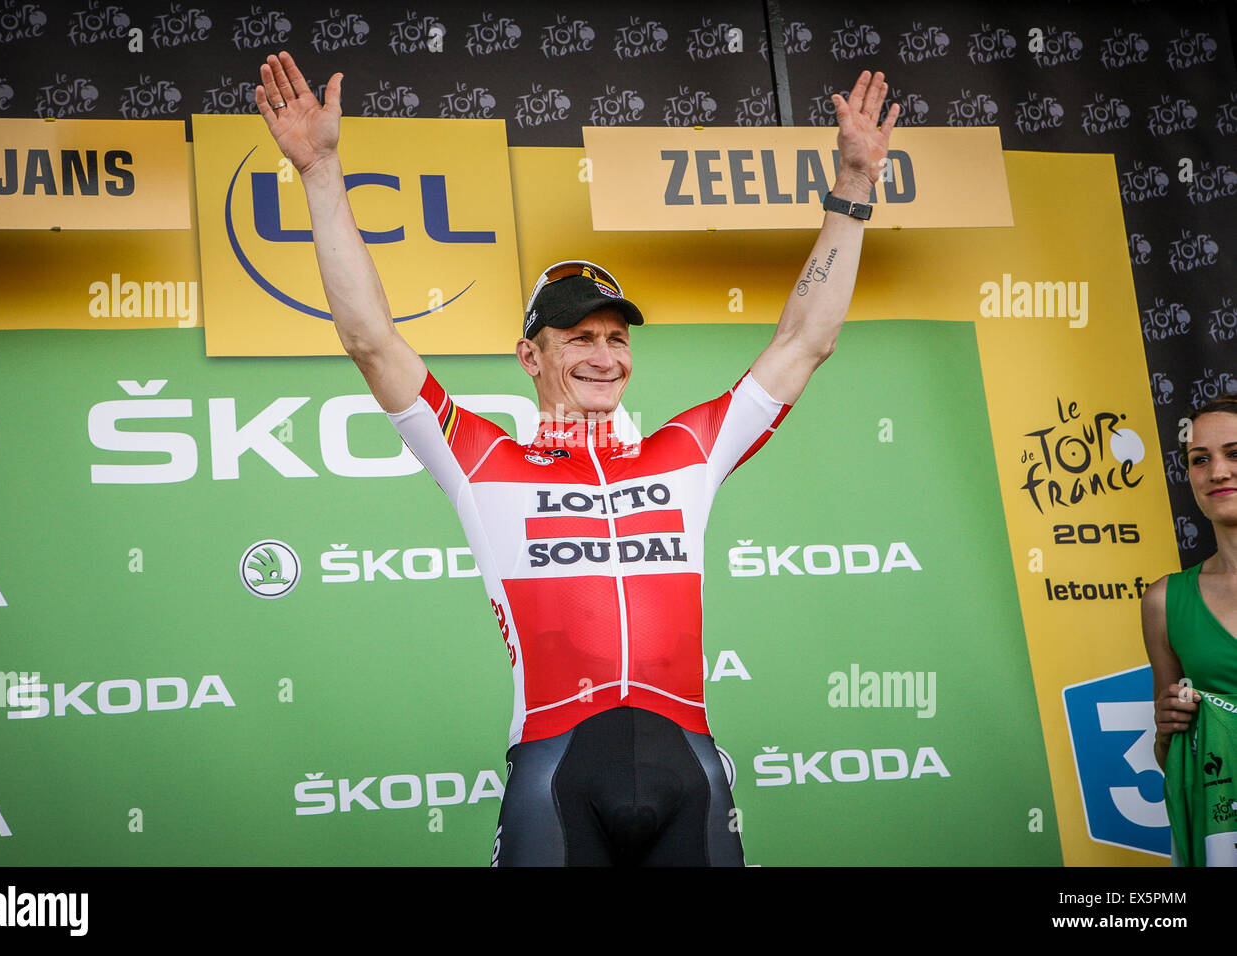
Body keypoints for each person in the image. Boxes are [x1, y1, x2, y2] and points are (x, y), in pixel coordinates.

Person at [256, 51, 899, 865]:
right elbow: (370, 340)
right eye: (578, 338)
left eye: (616, 339)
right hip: (557, 769)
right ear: (531, 356)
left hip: (688, 766)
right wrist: (318, 172)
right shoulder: (483, 461)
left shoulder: (686, 452)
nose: (603, 356)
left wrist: (853, 185)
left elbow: (808, 340)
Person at [1141, 396, 1237, 865]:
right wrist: (1167, 731)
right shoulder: (1164, 601)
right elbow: (1173, 756)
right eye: (1201, 460)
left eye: (1234, 453)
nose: (1218, 471)